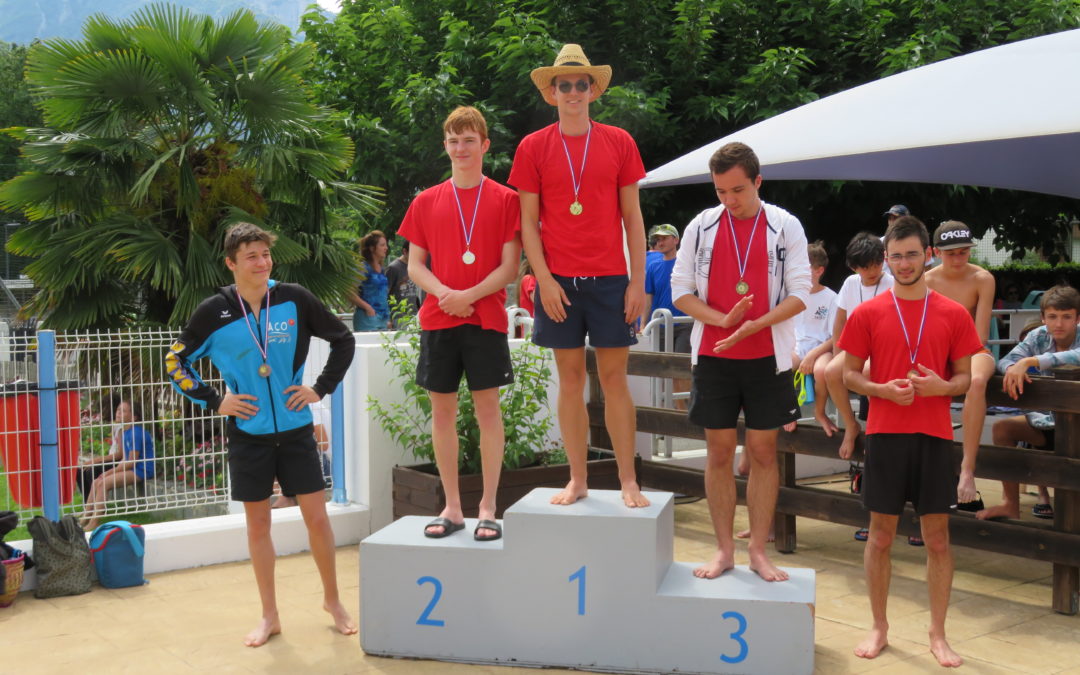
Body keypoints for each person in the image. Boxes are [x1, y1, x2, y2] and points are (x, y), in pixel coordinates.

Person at [165, 221, 357, 647]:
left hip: (295, 429)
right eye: (251, 256)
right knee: (257, 527)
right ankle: (269, 615)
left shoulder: (294, 299)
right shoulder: (212, 312)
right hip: (248, 433)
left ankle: (333, 601)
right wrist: (215, 400)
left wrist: (318, 388)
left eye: (266, 254)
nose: (262, 262)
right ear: (231, 263)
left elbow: (343, 340)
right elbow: (176, 362)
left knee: (318, 519)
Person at [508, 44, 649, 508]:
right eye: (563, 85)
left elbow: (633, 217)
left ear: (593, 90)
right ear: (552, 93)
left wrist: (637, 281)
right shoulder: (533, 146)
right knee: (569, 381)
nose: (572, 91)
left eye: (580, 84)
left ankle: (628, 480)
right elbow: (528, 223)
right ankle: (578, 479)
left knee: (614, 380)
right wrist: (544, 280)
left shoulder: (620, 141)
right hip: (559, 282)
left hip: (611, 279)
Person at [838, 215, 981, 668]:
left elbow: (964, 376)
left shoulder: (953, 313)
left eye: (911, 254)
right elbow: (848, 372)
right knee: (880, 537)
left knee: (937, 540)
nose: (903, 263)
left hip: (935, 436)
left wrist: (944, 387)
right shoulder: (867, 312)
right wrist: (878, 390)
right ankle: (879, 625)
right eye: (895, 256)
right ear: (887, 258)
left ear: (928, 255)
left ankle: (938, 633)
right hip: (884, 434)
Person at [670, 141, 811, 582]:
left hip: (768, 356)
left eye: (737, 190)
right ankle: (724, 549)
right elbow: (680, 289)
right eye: (720, 191)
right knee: (717, 453)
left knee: (765, 453)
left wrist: (755, 326)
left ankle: (758, 550)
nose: (729, 201)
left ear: (757, 182)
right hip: (714, 354)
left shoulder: (785, 226)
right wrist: (721, 320)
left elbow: (800, 292)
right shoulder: (702, 225)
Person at [401, 106, 521, 541]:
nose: (460, 148)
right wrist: (447, 296)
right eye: (453, 140)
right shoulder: (426, 200)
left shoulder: (507, 199)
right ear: (445, 146)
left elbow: (511, 267)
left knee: (489, 410)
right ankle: (451, 507)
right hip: (438, 319)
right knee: (443, 411)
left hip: (485, 318)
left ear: (484, 145)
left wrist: (467, 297)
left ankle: (488, 506)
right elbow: (415, 265)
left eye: (469, 140)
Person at [976, 285, 1080, 521]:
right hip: (1047, 422)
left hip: (1078, 428)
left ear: (1077, 318)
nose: (1059, 323)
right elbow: (1007, 360)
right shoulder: (1038, 335)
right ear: (1043, 317)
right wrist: (1014, 367)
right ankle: (1010, 504)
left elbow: (1074, 357)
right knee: (1002, 428)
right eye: (1052, 317)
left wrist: (1031, 361)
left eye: (1066, 317)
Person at [925, 221, 996, 506]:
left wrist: (956, 367)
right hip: (938, 350)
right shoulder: (926, 280)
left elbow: (979, 337)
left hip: (973, 349)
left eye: (963, 252)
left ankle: (967, 468)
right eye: (950, 253)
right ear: (937, 252)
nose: (957, 259)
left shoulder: (983, 278)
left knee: (976, 381)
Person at [824, 232, 894, 459]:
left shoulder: (892, 283)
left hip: (884, 347)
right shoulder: (850, 283)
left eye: (875, 265)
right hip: (857, 346)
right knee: (831, 371)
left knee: (867, 371)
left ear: (883, 260)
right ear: (854, 267)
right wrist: (837, 353)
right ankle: (851, 424)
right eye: (865, 267)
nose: (871, 271)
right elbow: (840, 321)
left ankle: (878, 430)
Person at [79, 400, 155, 531]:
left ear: (134, 417)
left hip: (141, 470)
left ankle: (94, 522)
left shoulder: (135, 433)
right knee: (97, 481)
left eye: (123, 411)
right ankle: (86, 516)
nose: (118, 413)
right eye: (118, 410)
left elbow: (131, 461)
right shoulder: (125, 432)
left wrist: (110, 472)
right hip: (132, 467)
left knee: (104, 483)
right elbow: (124, 458)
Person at [642, 223, 691, 407]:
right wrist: (643, 325)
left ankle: (682, 416)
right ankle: (666, 416)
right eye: (658, 239)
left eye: (664, 238)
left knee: (679, 370)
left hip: (684, 324)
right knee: (661, 370)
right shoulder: (653, 267)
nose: (660, 242)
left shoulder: (686, 264)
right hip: (660, 325)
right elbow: (648, 298)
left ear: (676, 240)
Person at [272, 398, 332, 509]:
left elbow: (324, 444)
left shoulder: (305, 403)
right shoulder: (295, 401)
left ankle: (286, 498)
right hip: (318, 463)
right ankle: (285, 497)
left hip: (326, 467)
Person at [352, 230, 391, 331]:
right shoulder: (362, 267)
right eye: (382, 245)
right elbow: (349, 292)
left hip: (383, 320)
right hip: (367, 319)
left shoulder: (381, 268)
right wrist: (367, 308)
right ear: (372, 248)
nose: (386, 248)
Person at [384, 239, 422, 329]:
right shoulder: (393, 268)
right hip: (399, 316)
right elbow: (385, 294)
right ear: (405, 251)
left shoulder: (414, 267)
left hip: (414, 315)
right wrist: (388, 318)